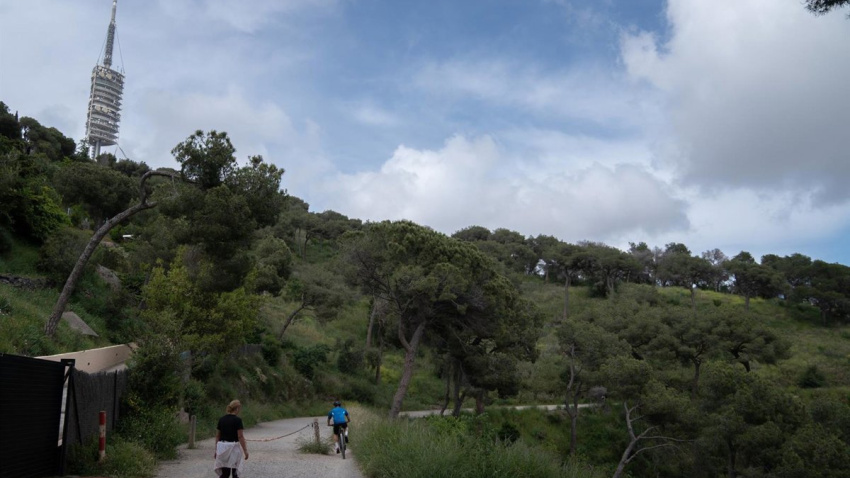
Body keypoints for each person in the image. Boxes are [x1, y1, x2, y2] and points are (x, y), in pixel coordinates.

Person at [215, 399, 249, 478]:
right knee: (235, 473)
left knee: (225, 474)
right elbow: (240, 436)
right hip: (233, 448)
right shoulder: (238, 420)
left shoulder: (221, 419)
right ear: (237, 408)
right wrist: (245, 451)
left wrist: (216, 450)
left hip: (222, 448)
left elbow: (217, 436)